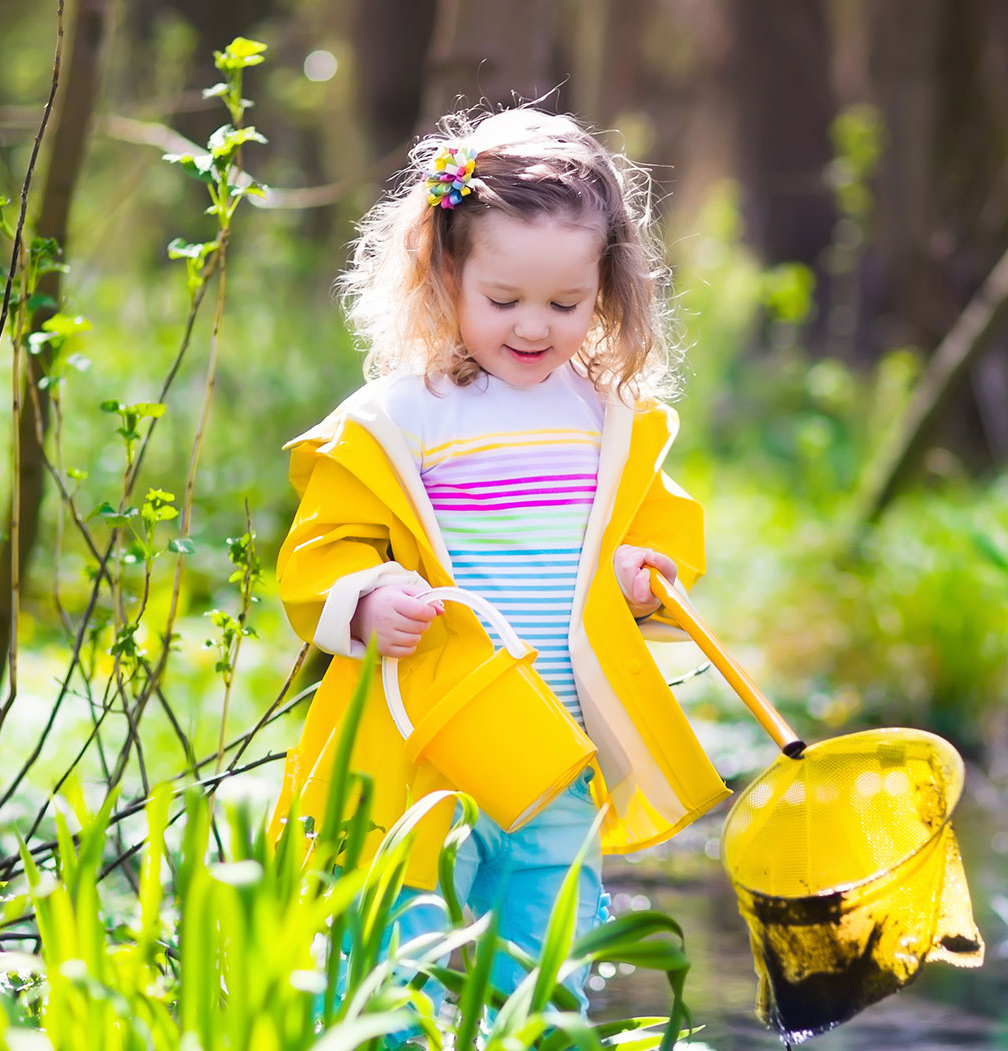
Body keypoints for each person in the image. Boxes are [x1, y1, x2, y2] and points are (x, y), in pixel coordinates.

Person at [272, 107, 728, 1021]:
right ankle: (400, 1037)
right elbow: (323, 551)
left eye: (565, 304)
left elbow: (659, 533)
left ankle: (536, 1033)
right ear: (446, 273)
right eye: (505, 299)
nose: (535, 326)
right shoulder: (400, 418)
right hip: (431, 731)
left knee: (543, 920)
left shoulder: (610, 419)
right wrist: (364, 602)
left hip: (559, 741)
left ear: (606, 286)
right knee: (407, 914)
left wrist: (648, 577)